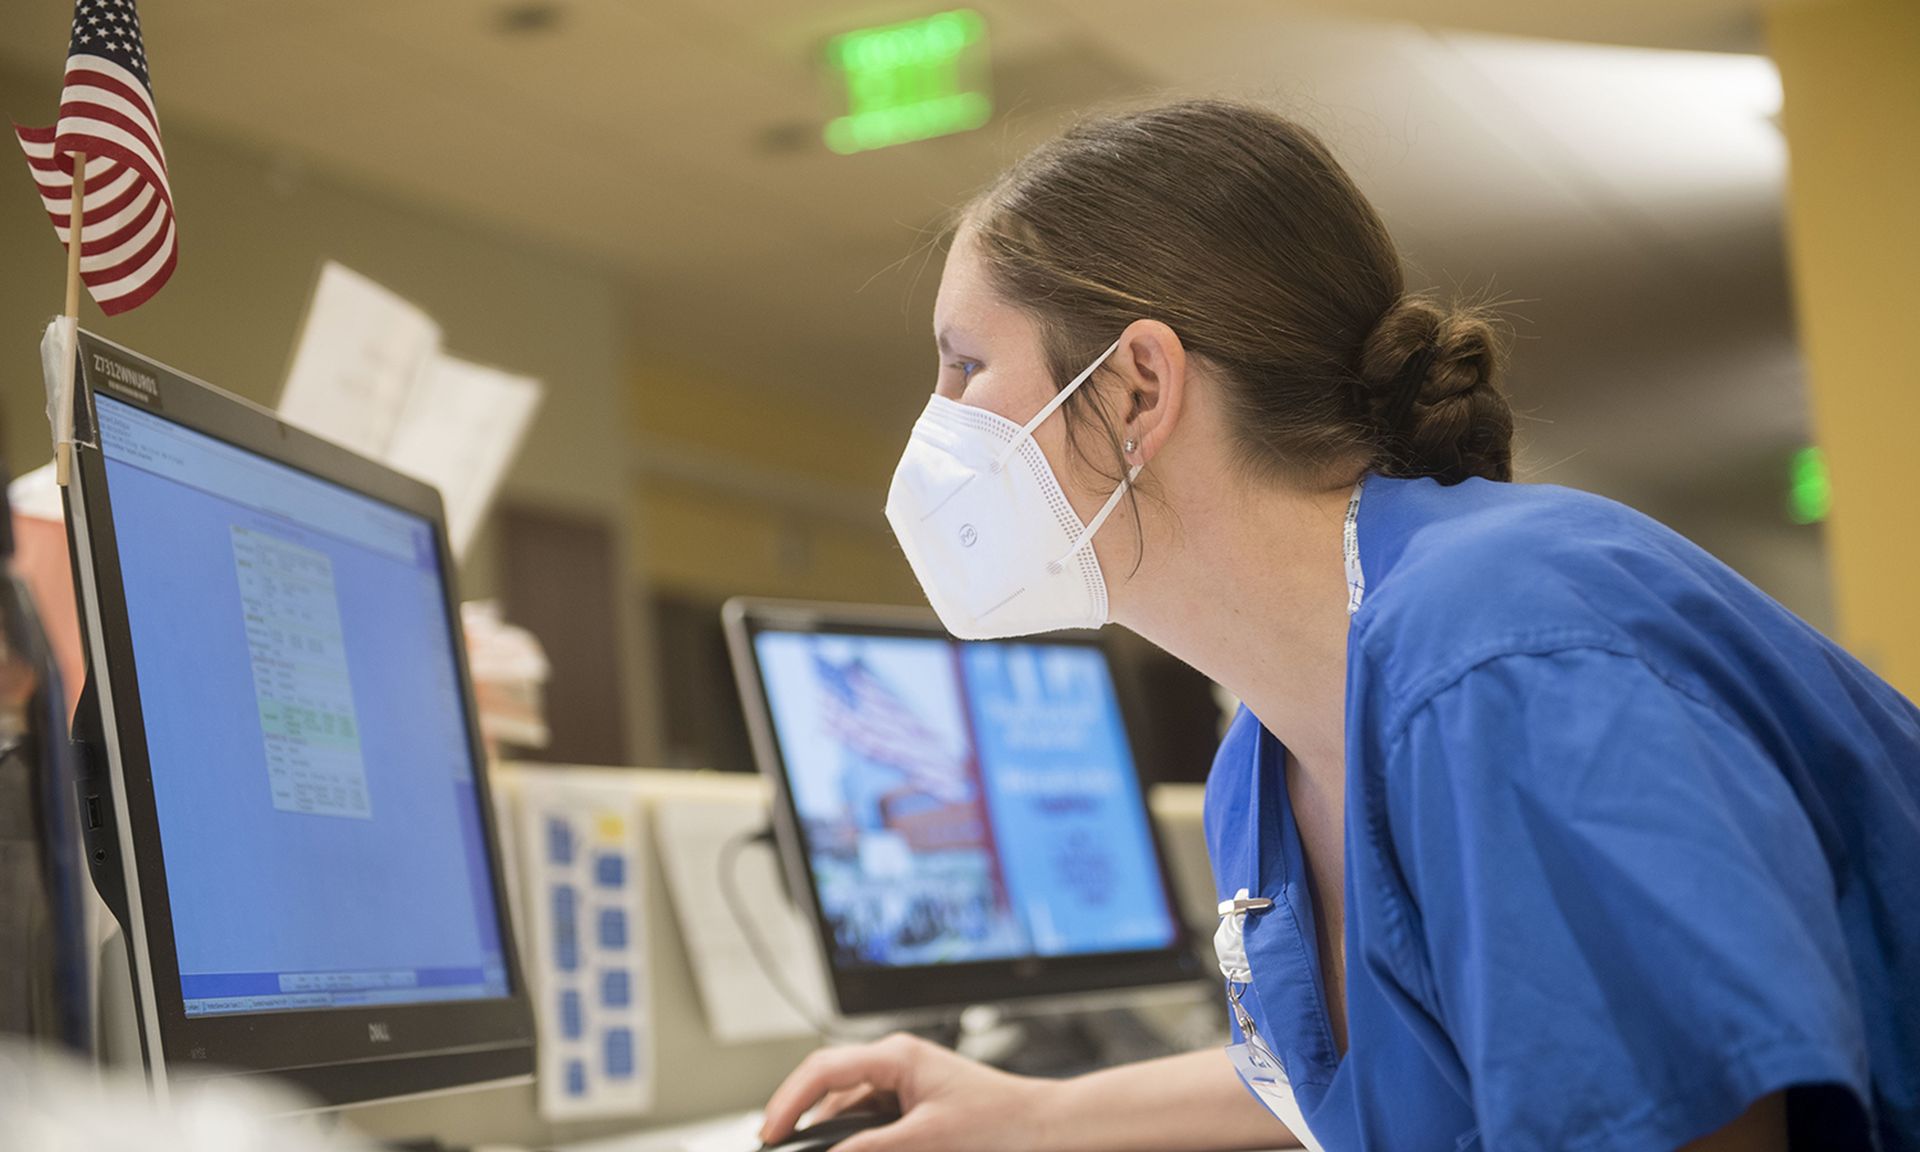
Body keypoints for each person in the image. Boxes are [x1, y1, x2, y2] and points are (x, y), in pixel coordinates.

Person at [757, 100, 1920, 1152]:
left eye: (965, 366)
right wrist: (1037, 1117)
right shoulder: (1266, 761)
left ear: (1139, 391)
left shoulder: (1499, 657)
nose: (938, 425)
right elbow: (1398, 1068)